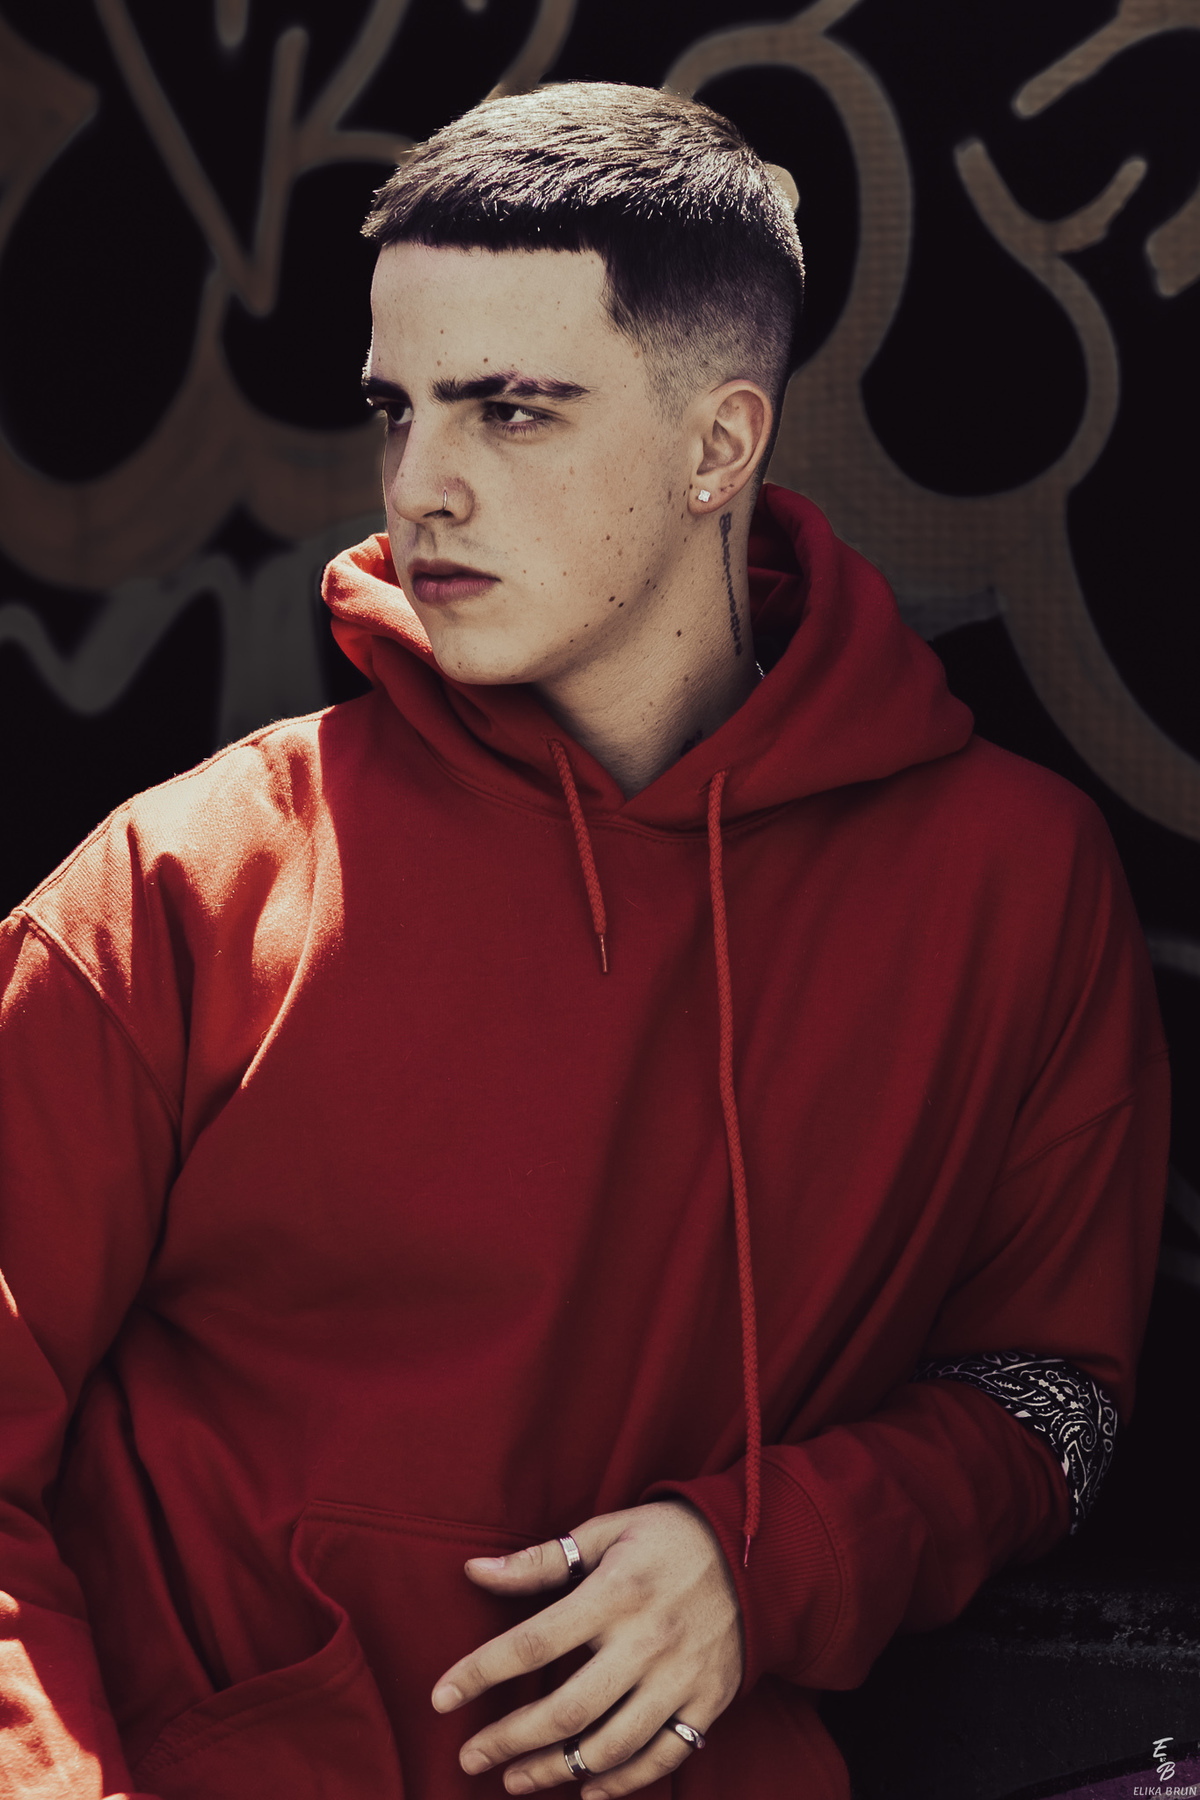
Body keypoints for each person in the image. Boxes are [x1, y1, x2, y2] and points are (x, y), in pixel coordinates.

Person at [0, 81, 1168, 1800]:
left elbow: (1052, 1403)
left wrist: (779, 1557)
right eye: (398, 408)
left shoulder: (1009, 883)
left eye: (512, 410)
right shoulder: (190, 881)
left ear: (718, 447)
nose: (423, 486)